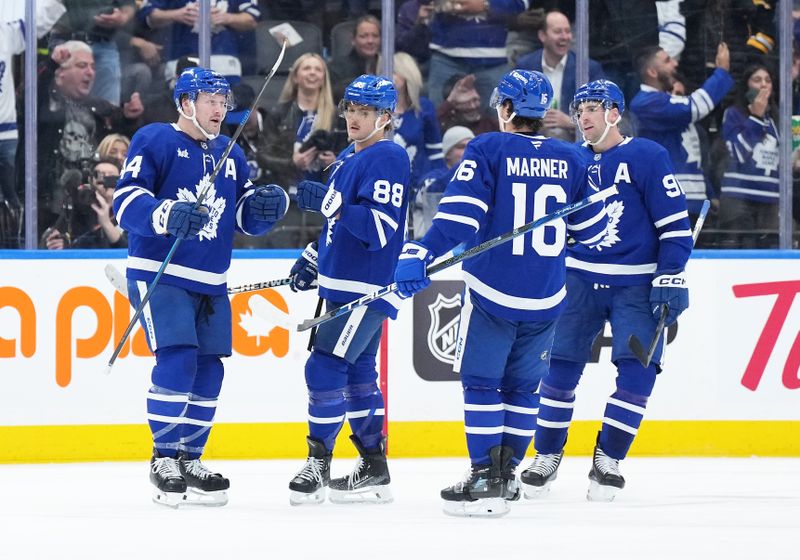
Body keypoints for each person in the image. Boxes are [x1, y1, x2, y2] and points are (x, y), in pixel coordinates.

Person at [393, 70, 609, 517]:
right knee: (524, 390)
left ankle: (484, 476)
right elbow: (595, 230)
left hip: (495, 293)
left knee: (482, 385)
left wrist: (419, 252)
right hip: (548, 297)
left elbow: (458, 218)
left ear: (506, 108)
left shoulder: (488, 147)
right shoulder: (575, 158)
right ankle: (506, 476)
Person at [112, 67, 289, 507]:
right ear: (186, 102)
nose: (219, 108)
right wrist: (165, 215)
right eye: (210, 99)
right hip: (160, 272)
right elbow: (125, 201)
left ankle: (191, 458)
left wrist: (263, 209)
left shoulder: (231, 154)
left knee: (210, 368)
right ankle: (164, 457)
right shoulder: (154, 139)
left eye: (223, 101)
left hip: (211, 281)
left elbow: (243, 215)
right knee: (178, 358)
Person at [519, 79, 693, 503]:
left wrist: (670, 275)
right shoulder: (570, 159)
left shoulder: (646, 156)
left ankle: (609, 458)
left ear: (615, 112)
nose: (584, 117)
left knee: (638, 375)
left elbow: (675, 226)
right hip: (577, 280)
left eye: (593, 108)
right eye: (579, 110)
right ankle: (546, 454)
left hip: (636, 283)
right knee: (557, 371)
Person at [286, 74, 411, 506]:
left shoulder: (389, 157)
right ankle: (374, 467)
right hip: (342, 284)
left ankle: (318, 463)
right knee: (358, 376)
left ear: (385, 116)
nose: (354, 119)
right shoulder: (346, 159)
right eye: (351, 110)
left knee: (323, 369)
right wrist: (314, 257)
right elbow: (335, 227)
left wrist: (334, 204)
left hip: (365, 288)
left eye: (365, 111)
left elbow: (379, 229)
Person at [30, 40, 143, 237]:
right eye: (82, 66)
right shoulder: (42, 102)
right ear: (60, 74)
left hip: (88, 206)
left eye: (92, 67)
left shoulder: (100, 108)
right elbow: (33, 90)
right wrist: (51, 63)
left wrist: (129, 118)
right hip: (45, 202)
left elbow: (121, 139)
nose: (90, 72)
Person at [630, 43, 732, 224]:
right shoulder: (646, 103)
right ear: (652, 72)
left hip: (693, 202)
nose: (675, 64)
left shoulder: (666, 102)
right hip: (671, 203)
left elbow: (695, 160)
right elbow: (695, 107)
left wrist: (708, 194)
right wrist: (721, 72)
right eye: (667, 60)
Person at [515, 10, 604, 141]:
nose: (564, 37)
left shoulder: (588, 68)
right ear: (542, 36)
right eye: (558, 32)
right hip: (533, 137)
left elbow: (602, 115)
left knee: (557, 134)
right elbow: (511, 109)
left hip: (574, 138)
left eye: (567, 31)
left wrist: (570, 121)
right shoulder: (525, 66)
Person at [717, 64, 779, 249]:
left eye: (767, 81)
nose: (763, 85)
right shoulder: (733, 114)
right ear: (746, 86)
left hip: (770, 199)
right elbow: (736, 153)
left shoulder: (776, 118)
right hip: (738, 199)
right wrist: (756, 118)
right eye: (757, 80)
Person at [426, 0, 527, 110]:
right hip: (445, 56)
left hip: (493, 61)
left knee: (500, 122)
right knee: (438, 121)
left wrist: (486, 4)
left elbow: (521, 3)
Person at [138, 0, 260, 81]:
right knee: (181, 111)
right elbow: (149, 15)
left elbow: (252, 18)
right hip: (180, 60)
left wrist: (226, 17)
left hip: (225, 63)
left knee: (224, 112)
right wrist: (176, 14)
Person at [49, 0, 136, 105]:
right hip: (66, 41)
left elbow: (128, 4)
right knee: (59, 106)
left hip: (103, 43)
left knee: (108, 110)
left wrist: (123, 17)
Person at [41, 157, 126, 249]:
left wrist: (106, 223)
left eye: (111, 176)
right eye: (99, 175)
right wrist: (62, 244)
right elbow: (53, 238)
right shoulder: (81, 208)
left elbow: (130, 250)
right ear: (91, 180)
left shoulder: (129, 211)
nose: (105, 179)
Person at [389, 52, 444, 189]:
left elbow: (436, 153)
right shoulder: (376, 110)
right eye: (384, 71)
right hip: (387, 186)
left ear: (408, 75)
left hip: (418, 185)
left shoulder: (423, 108)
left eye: (394, 72)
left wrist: (437, 182)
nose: (388, 77)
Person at [412, 124, 474, 237]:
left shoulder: (475, 180)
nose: (467, 151)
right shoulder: (432, 177)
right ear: (448, 153)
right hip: (428, 245)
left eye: (470, 147)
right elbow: (431, 192)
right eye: (461, 147)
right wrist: (464, 165)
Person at [328, 15, 381, 100]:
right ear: (353, 40)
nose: (370, 41)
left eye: (375, 36)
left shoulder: (390, 65)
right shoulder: (336, 68)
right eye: (364, 36)